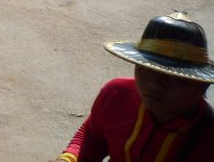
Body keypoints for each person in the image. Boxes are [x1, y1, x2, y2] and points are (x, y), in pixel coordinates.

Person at [52, 12, 214, 162]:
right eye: (146, 69)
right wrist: (69, 158)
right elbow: (93, 137)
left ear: (201, 86)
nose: (154, 85)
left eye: (175, 79)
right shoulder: (116, 94)